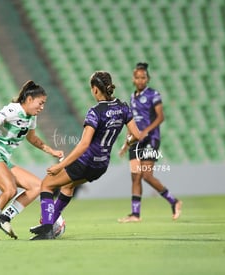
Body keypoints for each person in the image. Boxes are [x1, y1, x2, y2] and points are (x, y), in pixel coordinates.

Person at [29, 71, 142, 240]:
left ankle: (47, 228)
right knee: (68, 187)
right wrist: (128, 142)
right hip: (101, 165)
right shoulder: (123, 107)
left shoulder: (95, 112)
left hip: (86, 162)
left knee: (46, 185)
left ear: (95, 90)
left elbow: (83, 145)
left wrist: (60, 165)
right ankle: (50, 222)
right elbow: (137, 136)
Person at [0, 80, 64, 241]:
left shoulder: (31, 117)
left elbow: (32, 138)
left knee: (37, 186)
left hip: (4, 159)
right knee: (9, 189)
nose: (42, 107)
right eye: (40, 103)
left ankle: (4, 218)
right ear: (29, 100)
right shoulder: (13, 110)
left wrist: (52, 151)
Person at [117, 62, 182, 223]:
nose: (140, 80)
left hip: (150, 139)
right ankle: (135, 214)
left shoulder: (154, 94)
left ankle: (174, 201)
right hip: (135, 141)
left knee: (146, 175)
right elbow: (130, 122)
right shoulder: (132, 97)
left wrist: (146, 131)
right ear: (133, 79)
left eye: (143, 77)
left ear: (148, 79)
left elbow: (161, 117)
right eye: (137, 77)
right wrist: (126, 142)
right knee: (135, 176)